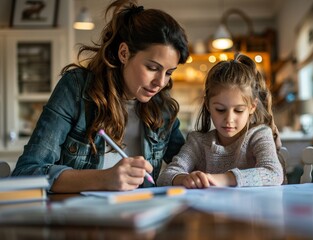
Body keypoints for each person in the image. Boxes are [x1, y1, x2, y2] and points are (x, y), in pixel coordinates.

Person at [11, 0, 189, 193]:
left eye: (169, 72)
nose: (160, 82)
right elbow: (26, 173)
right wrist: (103, 179)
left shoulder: (162, 107)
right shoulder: (76, 88)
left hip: (141, 216)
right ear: (124, 53)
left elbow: (187, 165)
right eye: (152, 68)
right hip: (79, 217)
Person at [157, 53, 286, 188]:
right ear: (207, 105)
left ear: (252, 107)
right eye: (220, 109)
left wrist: (222, 179)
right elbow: (166, 176)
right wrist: (184, 178)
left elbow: (274, 173)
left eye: (238, 110)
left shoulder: (258, 135)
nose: (229, 119)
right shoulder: (198, 142)